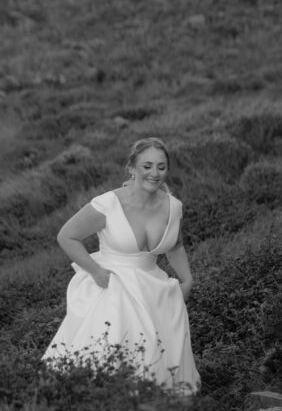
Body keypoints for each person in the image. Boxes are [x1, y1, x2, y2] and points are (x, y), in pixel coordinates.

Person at [43, 137, 200, 393]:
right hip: (113, 290)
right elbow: (67, 236)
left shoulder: (174, 207)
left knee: (158, 362)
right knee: (110, 358)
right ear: (131, 168)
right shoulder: (107, 204)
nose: (154, 173)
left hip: (155, 292)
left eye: (161, 167)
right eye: (147, 166)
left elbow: (176, 245)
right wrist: (95, 271)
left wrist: (187, 280)